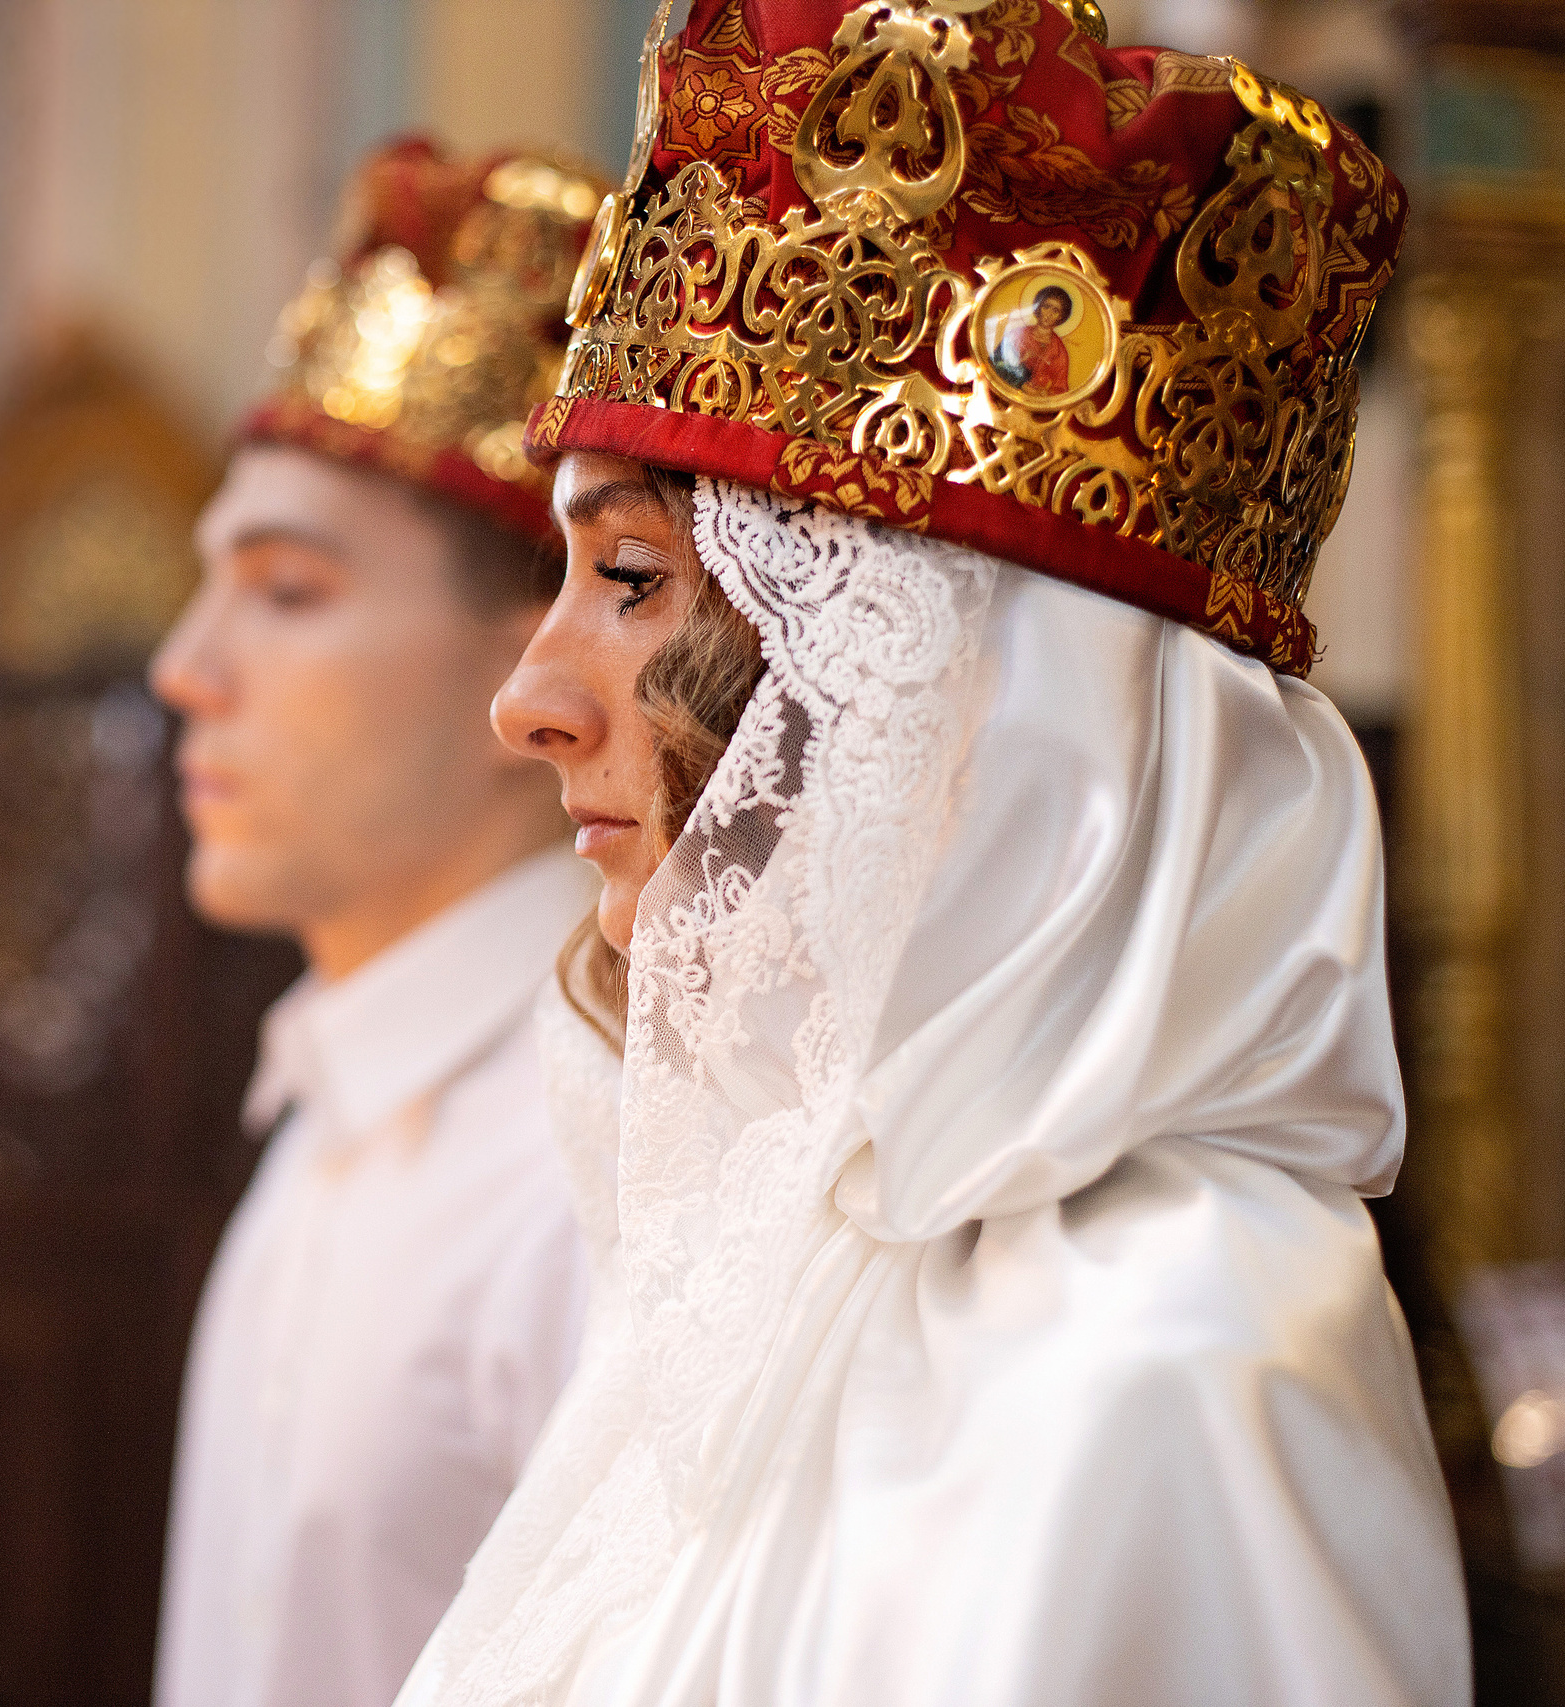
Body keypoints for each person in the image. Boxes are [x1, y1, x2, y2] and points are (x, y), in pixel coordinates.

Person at [400, 3, 1470, 1703]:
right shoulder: (775, 1247)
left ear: (965, 703)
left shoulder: (1181, 1358)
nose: (530, 699)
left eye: (632, 582)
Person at [149, 138, 611, 1707]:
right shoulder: (331, 1106)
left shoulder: (600, 1160)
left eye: (286, 592)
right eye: (208, 582)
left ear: (533, 662)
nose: (185, 666)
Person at [992, 283, 1073, 394]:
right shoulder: (1016, 335)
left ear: (1061, 317)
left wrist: (1046, 394)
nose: (1049, 314)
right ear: (1038, 307)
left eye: (1055, 311)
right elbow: (995, 365)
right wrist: (1020, 384)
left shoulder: (1059, 352)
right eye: (1046, 307)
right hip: (1009, 395)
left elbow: (1060, 388)